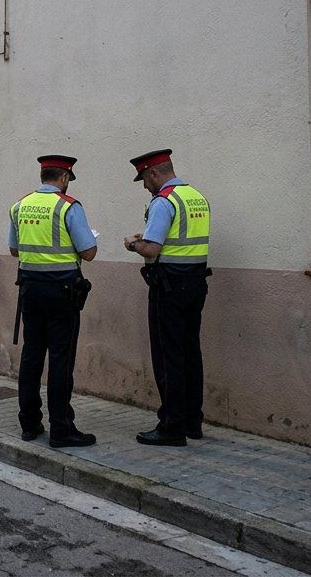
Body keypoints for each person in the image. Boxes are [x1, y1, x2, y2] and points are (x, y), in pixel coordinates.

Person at [123, 149, 212, 447]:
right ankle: (192, 421)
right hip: (195, 283)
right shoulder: (196, 196)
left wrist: (134, 243)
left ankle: (171, 426)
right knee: (190, 353)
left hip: (169, 287)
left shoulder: (164, 201)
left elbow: (152, 249)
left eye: (145, 180)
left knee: (168, 356)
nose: (146, 187)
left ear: (154, 174)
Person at [9, 155, 99, 448]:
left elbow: (14, 249)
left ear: (42, 175)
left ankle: (29, 423)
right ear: (63, 178)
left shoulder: (19, 206)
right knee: (61, 360)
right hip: (62, 293)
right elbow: (88, 252)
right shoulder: (68, 206)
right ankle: (61, 429)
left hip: (30, 290)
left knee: (32, 356)